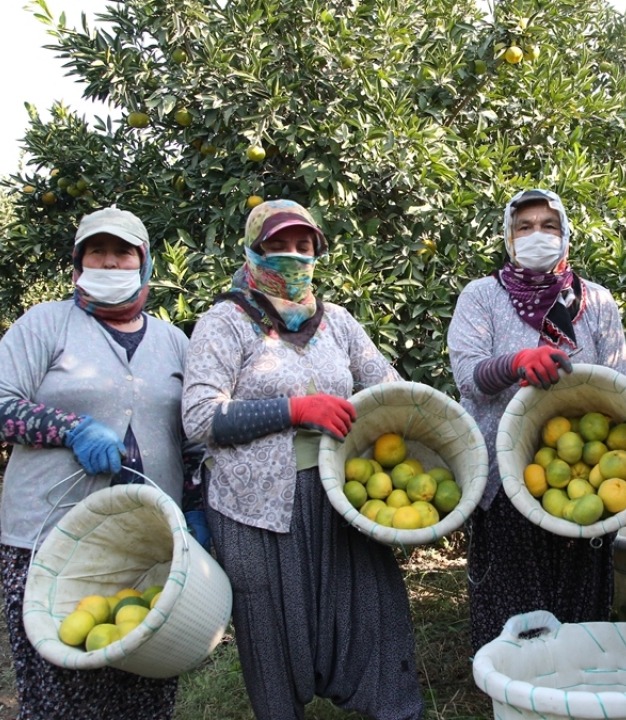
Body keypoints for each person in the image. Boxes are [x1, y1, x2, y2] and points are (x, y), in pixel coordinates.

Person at [180, 199, 422, 720]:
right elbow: (200, 417)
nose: (292, 256)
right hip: (253, 505)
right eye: (278, 245)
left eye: (303, 245)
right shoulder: (225, 322)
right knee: (271, 627)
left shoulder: (337, 322)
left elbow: (390, 389)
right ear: (253, 251)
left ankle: (394, 709)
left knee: (372, 609)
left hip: (341, 493)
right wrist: (294, 409)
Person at [0, 206, 204, 720]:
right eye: (97, 251)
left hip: (148, 542)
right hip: (51, 536)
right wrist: (69, 428)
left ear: (144, 262)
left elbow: (192, 437)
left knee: (146, 676)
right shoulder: (45, 324)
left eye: (123, 252)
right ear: (78, 262)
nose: (110, 262)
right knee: (62, 684)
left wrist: (195, 510)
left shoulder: (173, 341)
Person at [448, 189, 626, 651]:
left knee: (579, 592)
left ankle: (576, 676)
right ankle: (512, 677)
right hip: (503, 468)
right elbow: (468, 375)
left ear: (565, 234)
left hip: (586, 471)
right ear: (508, 236)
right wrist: (515, 363)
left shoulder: (596, 301)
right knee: (514, 597)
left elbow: (619, 387)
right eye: (524, 226)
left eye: (549, 226)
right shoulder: (483, 296)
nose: (537, 235)